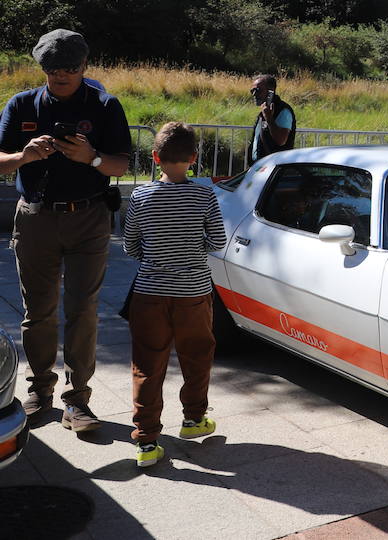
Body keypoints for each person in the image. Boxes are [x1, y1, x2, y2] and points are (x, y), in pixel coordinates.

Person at [0, 29, 132, 432]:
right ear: (41, 68)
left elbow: (121, 165)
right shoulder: (20, 104)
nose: (61, 76)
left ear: (84, 67)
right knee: (37, 311)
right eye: (53, 69)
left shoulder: (105, 105)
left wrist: (91, 158)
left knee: (83, 311)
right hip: (36, 217)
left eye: (70, 69)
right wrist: (24, 155)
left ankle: (78, 401)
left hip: (88, 218)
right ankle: (40, 390)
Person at [123, 122, 227, 468]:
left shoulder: (140, 196)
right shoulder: (204, 195)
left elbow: (130, 246)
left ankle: (147, 441)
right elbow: (218, 242)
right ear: (194, 159)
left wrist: (158, 259)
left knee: (147, 364)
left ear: (154, 158)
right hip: (193, 293)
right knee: (197, 355)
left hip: (149, 293)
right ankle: (194, 420)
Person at [249, 75, 296, 163]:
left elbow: (281, 140)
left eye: (257, 90)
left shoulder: (283, 111)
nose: (254, 94)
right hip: (261, 166)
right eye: (252, 90)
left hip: (275, 166)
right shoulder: (263, 112)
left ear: (271, 92)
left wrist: (269, 118)